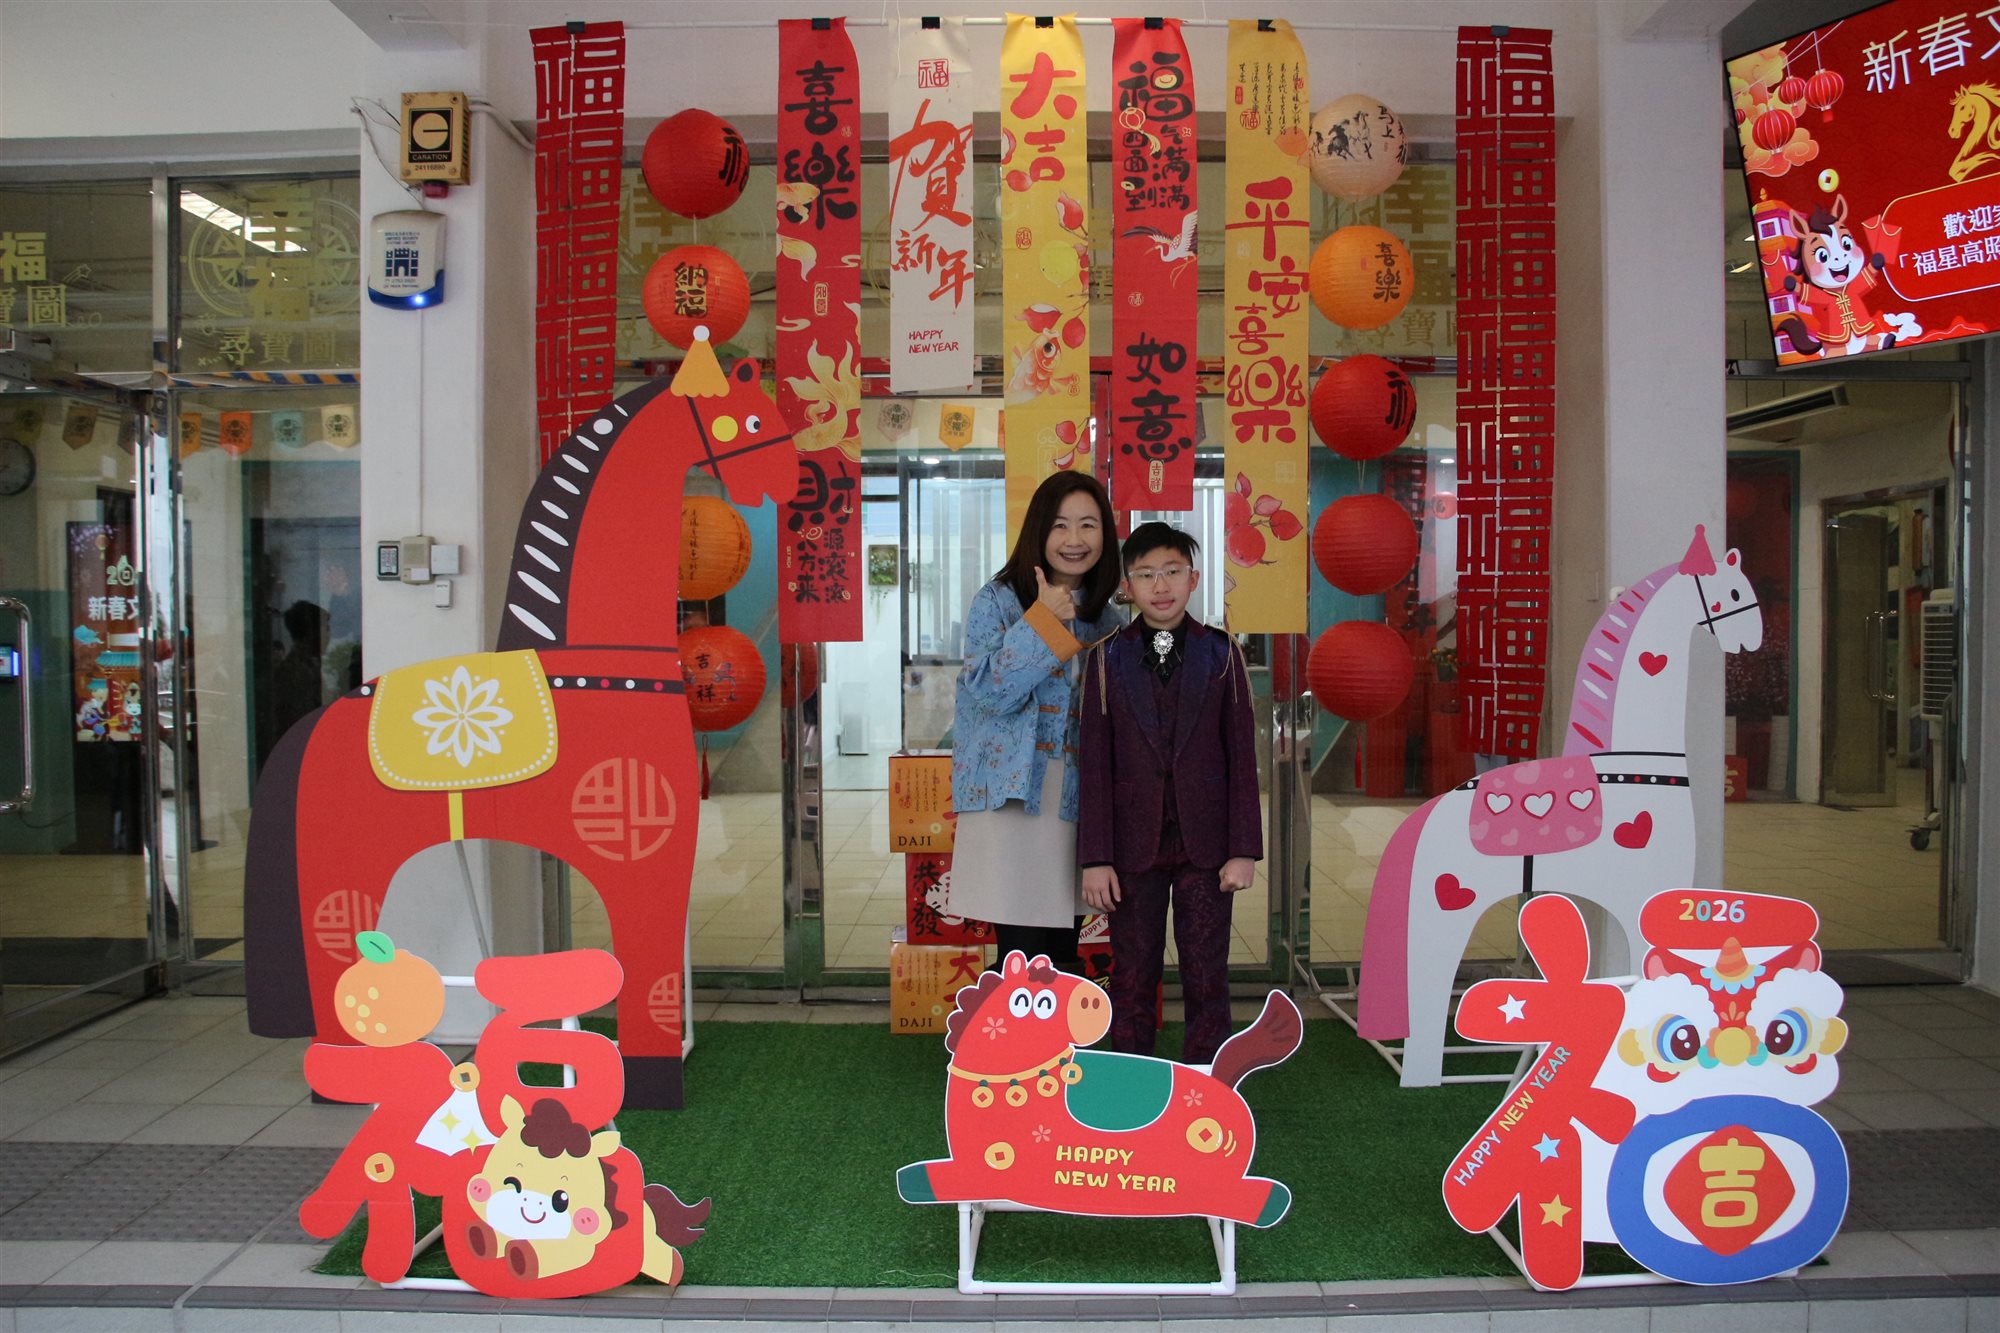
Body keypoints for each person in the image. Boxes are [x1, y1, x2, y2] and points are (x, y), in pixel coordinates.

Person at [1077, 522, 1261, 1064]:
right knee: (1133, 971)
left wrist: (1243, 849)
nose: (1161, 586)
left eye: (1173, 571)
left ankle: (1208, 1078)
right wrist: (1095, 858)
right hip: (1132, 846)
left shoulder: (1223, 654)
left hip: (1207, 845)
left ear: (1194, 579)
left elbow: (1242, 758)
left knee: (1207, 970)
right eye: (1146, 574)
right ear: (1127, 587)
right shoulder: (1106, 659)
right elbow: (1095, 766)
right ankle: (1133, 1076)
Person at [948, 470, 1124, 972]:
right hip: (1012, 797)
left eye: (1088, 525)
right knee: (1021, 953)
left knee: (1062, 949)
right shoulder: (998, 600)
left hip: (1077, 798)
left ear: (1104, 536)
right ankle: (1013, 1025)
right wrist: (1043, 620)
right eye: (1060, 525)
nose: (1074, 539)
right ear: (1038, 533)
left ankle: (1054, 1027)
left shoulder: (1107, 620)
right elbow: (987, 693)